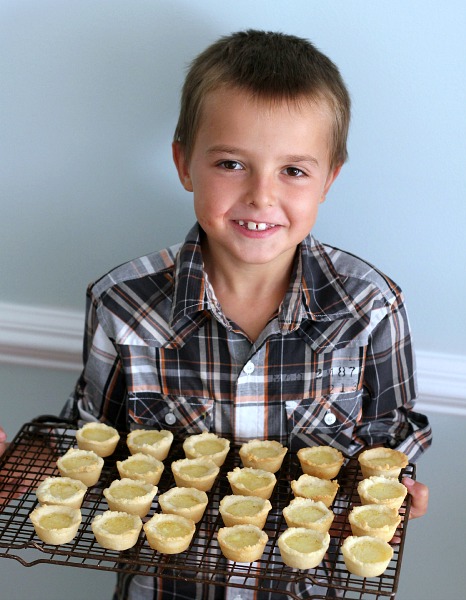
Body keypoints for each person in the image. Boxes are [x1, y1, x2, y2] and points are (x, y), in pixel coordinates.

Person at [3, 29, 431, 599]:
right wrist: (17, 470)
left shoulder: (371, 307)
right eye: (231, 163)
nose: (261, 195)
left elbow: (390, 438)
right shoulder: (122, 304)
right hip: (164, 588)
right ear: (184, 164)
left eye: (294, 171)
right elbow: (90, 440)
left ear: (330, 179)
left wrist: (395, 486)